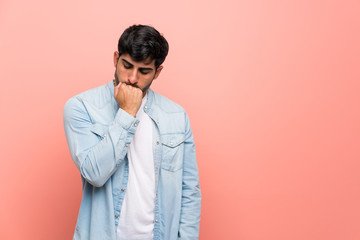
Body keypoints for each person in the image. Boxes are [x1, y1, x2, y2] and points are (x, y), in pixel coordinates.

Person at [63, 24, 201, 240]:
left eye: (144, 71)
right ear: (115, 58)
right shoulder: (82, 107)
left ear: (158, 72)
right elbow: (94, 174)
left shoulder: (176, 115)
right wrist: (127, 113)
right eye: (126, 65)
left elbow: (189, 190)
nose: (133, 78)